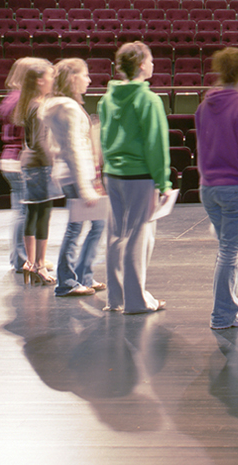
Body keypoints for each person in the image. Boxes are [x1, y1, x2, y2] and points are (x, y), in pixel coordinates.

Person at [97, 41, 171, 314]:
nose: (153, 64)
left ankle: (115, 298)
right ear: (141, 65)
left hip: (113, 174)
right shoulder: (148, 99)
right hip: (139, 174)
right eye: (150, 60)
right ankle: (136, 300)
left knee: (116, 236)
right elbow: (156, 144)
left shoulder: (106, 98)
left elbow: (104, 138)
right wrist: (164, 182)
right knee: (139, 236)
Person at [194, 47, 238, 330]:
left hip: (208, 187)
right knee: (229, 251)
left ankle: (230, 305)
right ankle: (223, 313)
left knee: (226, 249)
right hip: (235, 188)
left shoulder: (203, 106)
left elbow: (202, 147)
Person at [38, 58, 105, 298]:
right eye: (85, 75)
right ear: (72, 78)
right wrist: (85, 186)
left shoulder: (60, 105)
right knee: (78, 228)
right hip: (76, 176)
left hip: (72, 174)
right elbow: (73, 148)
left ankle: (81, 275)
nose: (89, 80)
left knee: (96, 223)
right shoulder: (68, 107)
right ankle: (67, 280)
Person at [0, 57, 53, 277]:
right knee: (25, 212)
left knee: (21, 211)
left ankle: (20, 257)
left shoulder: (13, 97)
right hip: (20, 159)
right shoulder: (24, 99)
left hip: (10, 158)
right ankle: (22, 258)